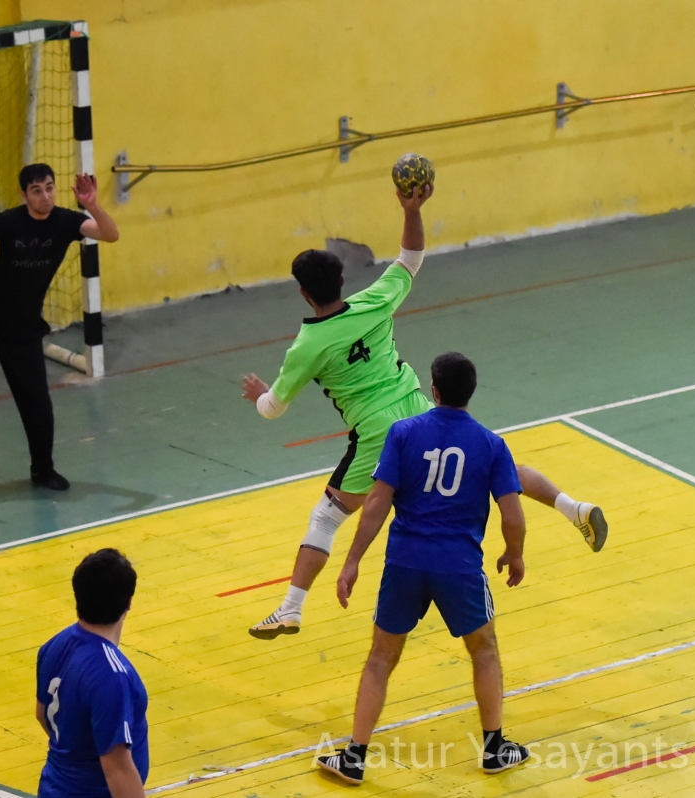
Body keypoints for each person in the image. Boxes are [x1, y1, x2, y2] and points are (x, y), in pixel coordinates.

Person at [241, 182, 606, 639]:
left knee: (327, 517)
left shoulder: (307, 345)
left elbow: (272, 409)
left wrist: (259, 394)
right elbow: (411, 257)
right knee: (497, 468)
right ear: (342, 281)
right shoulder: (375, 300)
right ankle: (574, 508)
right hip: (420, 411)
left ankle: (291, 608)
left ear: (303, 293)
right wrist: (412, 209)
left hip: (377, 434)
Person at [316, 353, 530, 784]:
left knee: (381, 657)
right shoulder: (491, 445)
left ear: (433, 390)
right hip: (459, 566)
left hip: (405, 562)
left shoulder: (403, 433)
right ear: (471, 392)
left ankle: (354, 756)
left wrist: (352, 560)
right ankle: (494, 749)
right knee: (483, 649)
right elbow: (512, 515)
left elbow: (377, 503)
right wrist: (514, 553)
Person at [0, 164, 120, 491]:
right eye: (37, 190)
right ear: (24, 194)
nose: (45, 196)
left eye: (49, 187)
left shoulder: (67, 221)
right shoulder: (6, 221)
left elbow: (110, 234)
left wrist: (93, 205)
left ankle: (42, 471)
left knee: (37, 405)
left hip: (23, 326)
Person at [36, 548, 148, 798]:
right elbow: (117, 769)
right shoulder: (112, 675)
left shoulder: (54, 646)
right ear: (129, 602)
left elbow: (42, 714)